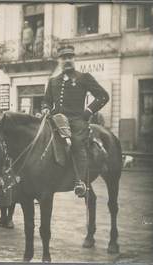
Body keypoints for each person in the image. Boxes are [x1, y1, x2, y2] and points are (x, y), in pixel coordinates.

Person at [42, 45, 109, 197]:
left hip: (77, 120)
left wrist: (88, 112)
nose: (67, 60)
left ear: (74, 59)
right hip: (56, 119)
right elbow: (46, 101)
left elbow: (103, 96)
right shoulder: (53, 81)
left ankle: (80, 182)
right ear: (59, 60)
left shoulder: (84, 78)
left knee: (77, 142)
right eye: (64, 58)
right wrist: (45, 108)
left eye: (70, 57)